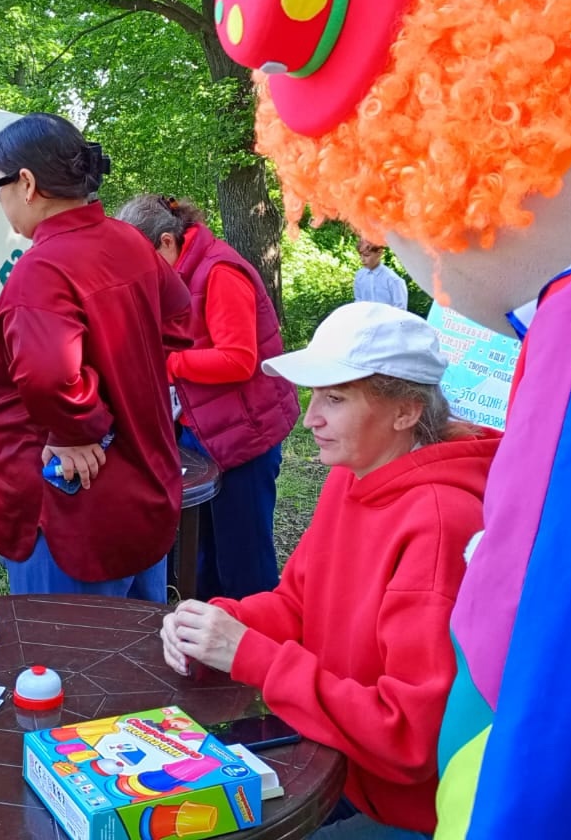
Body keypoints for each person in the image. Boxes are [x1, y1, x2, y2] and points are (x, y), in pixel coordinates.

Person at [162, 303, 498, 840]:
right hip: (332, 754)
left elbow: (409, 738)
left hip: (393, 805)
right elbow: (298, 603)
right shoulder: (354, 471)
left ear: (406, 411)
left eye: (335, 399)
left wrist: (251, 655)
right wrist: (217, 625)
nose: (310, 418)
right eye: (314, 395)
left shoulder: (440, 522)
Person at [0, 114, 193, 599]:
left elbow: (50, 376)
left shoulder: (43, 268)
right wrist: (124, 372)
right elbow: (180, 319)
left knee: (64, 643)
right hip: (143, 484)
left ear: (26, 183)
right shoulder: (129, 241)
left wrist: (76, 430)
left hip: (69, 506)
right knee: (141, 639)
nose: (0, 202)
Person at [117, 195, 300, 599]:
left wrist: (169, 364)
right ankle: (206, 629)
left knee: (243, 560)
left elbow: (238, 359)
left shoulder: (219, 271)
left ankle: (256, 634)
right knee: (200, 553)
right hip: (202, 427)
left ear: (167, 241)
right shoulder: (179, 273)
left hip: (244, 435)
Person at [353, 240, 408, 310]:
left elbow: (400, 309)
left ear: (379, 252)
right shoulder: (359, 276)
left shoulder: (392, 279)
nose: (362, 259)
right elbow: (358, 301)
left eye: (367, 255)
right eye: (360, 255)